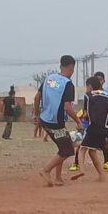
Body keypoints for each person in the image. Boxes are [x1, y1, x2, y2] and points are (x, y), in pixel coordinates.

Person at [33, 55, 82, 187]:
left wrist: (36, 114)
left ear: (61, 66)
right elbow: (67, 107)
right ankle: (45, 170)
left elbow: (37, 97)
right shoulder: (68, 84)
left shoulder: (49, 79)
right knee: (67, 150)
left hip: (44, 119)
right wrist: (78, 121)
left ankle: (58, 178)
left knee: (62, 147)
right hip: (56, 123)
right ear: (72, 68)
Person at [71, 76, 108, 182]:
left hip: (93, 127)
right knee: (92, 151)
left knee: (82, 149)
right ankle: (101, 176)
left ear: (89, 86)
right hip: (105, 128)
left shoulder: (88, 96)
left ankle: (81, 169)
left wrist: (79, 122)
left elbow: (86, 113)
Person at [93, 71, 108, 171]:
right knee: (87, 143)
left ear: (104, 81)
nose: (98, 81)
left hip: (106, 119)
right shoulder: (91, 92)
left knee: (106, 141)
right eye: (96, 79)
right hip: (94, 120)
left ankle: (106, 162)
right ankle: (77, 162)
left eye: (100, 79)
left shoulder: (107, 91)